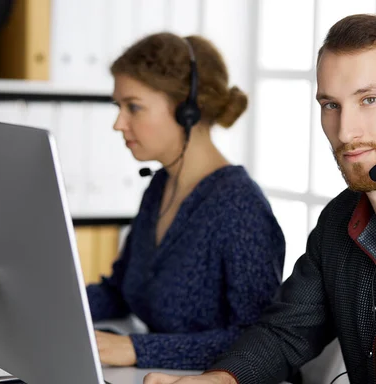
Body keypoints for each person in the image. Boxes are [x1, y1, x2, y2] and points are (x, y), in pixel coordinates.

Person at [143, 14, 376, 384]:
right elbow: (285, 333)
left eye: (369, 99)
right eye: (331, 105)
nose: (345, 131)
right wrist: (220, 380)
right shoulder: (340, 217)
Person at [85, 32, 286, 370]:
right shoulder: (161, 185)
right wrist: (42, 306)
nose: (119, 123)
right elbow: (120, 291)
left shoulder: (240, 207)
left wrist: (137, 349)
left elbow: (258, 342)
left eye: (133, 107)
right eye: (118, 107)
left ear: (187, 111)